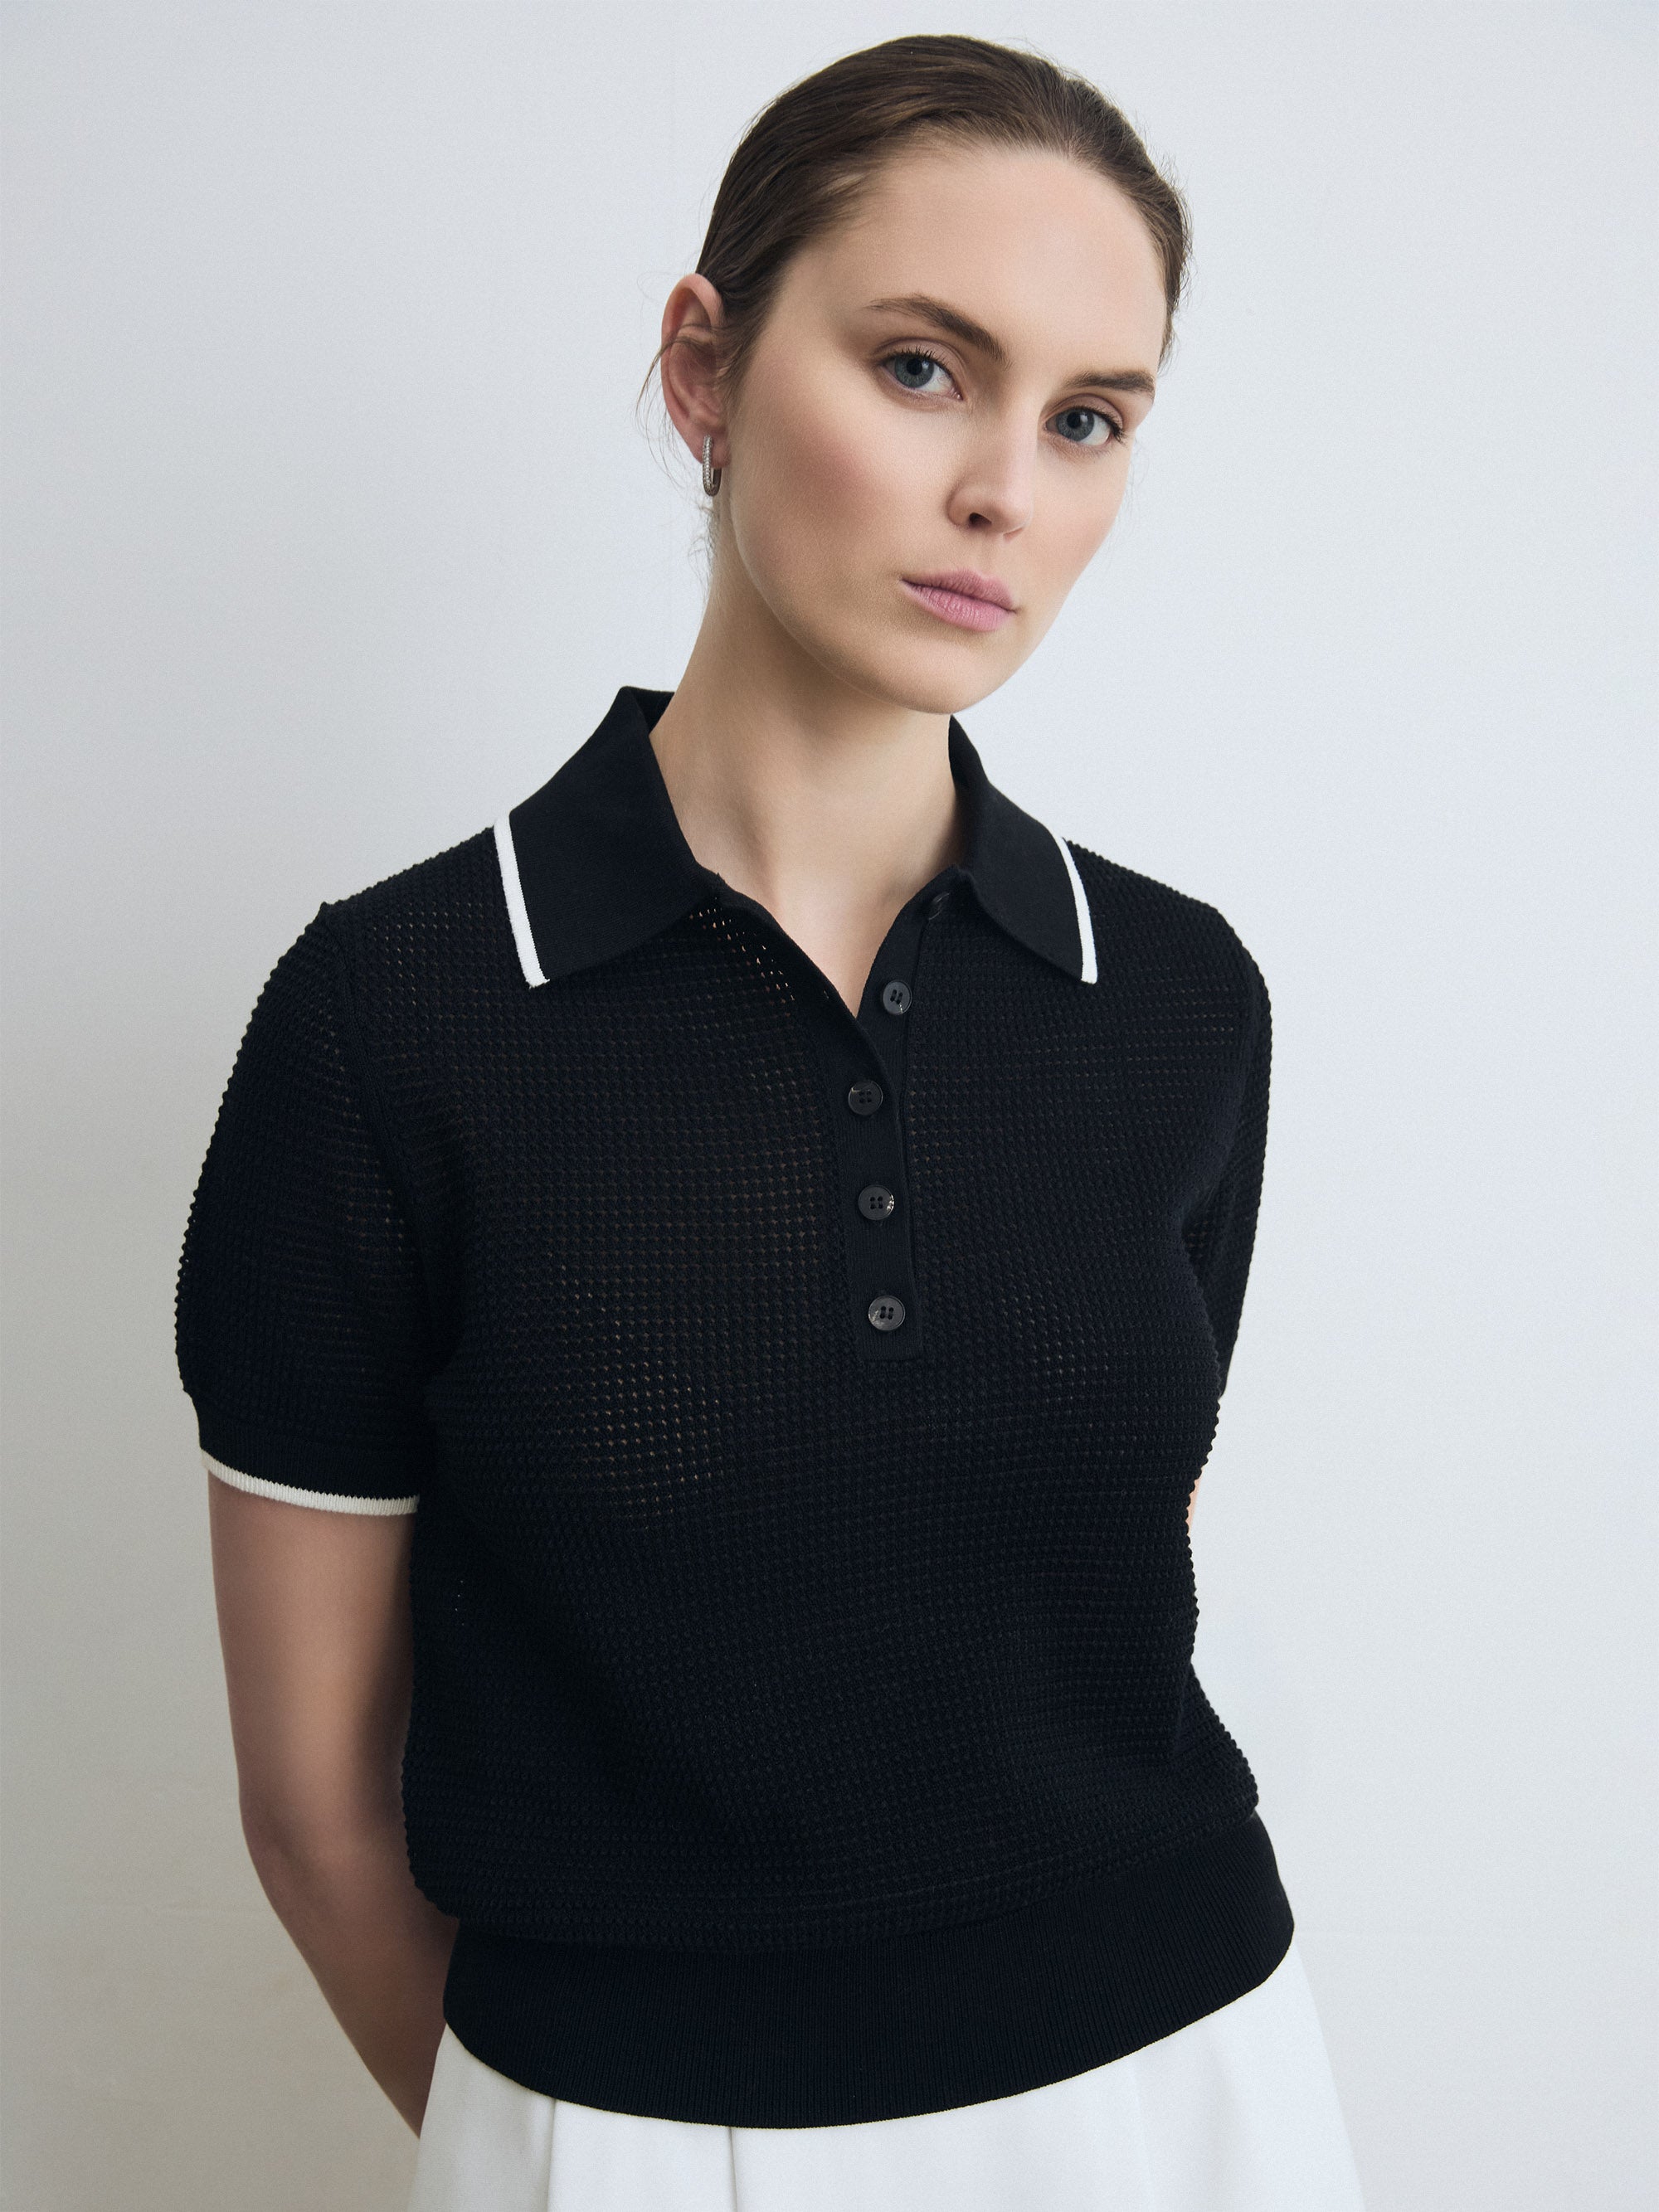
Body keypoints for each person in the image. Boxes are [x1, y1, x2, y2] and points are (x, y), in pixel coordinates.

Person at [177, 33, 1366, 2211]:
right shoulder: (395, 1022)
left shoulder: (1176, 1002)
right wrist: (580, 2138)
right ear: (705, 368)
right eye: (925, 367)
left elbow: (1101, 1590)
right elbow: (319, 1807)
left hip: (1189, 2102)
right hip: (643, 2138)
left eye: (1089, 418)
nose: (1007, 484)